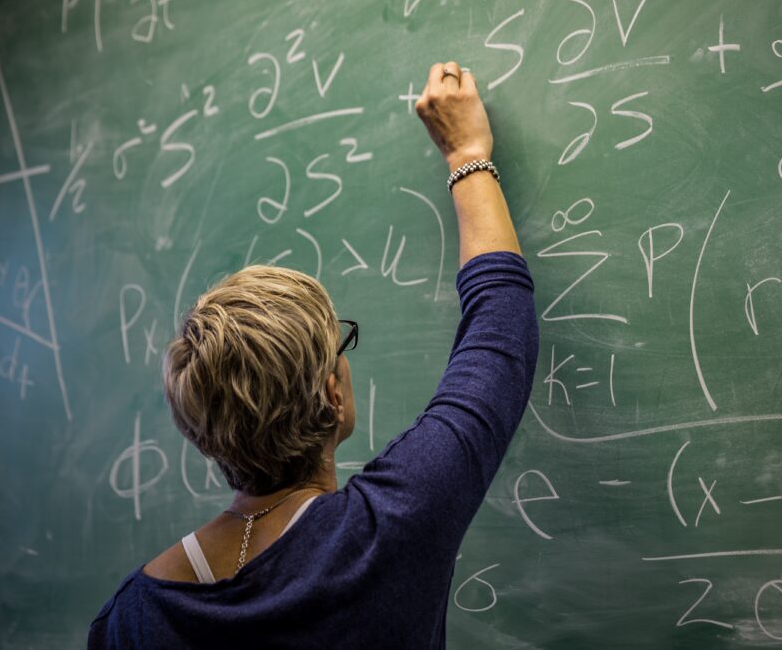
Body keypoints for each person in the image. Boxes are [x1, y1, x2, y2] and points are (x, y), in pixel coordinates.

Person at [88, 61, 539, 649]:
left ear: (202, 432)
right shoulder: (384, 534)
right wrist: (466, 152)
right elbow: (501, 331)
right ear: (331, 391)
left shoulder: (130, 621)